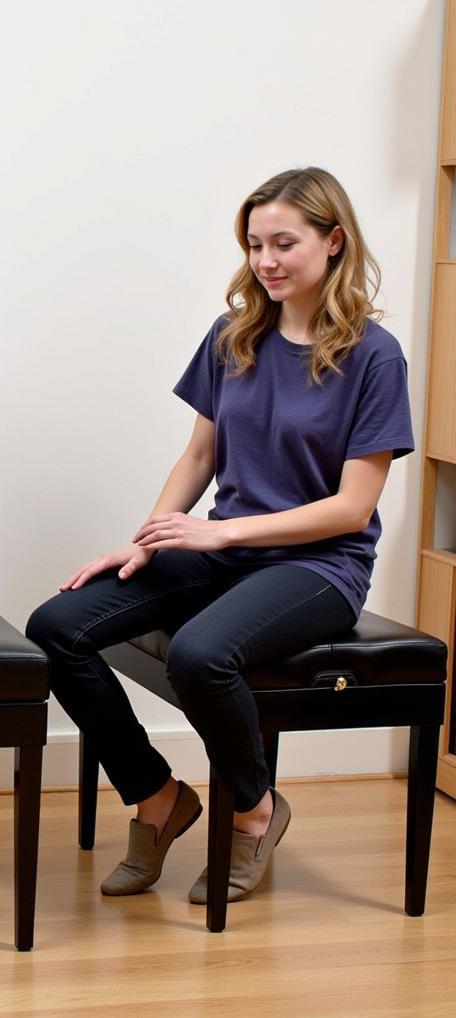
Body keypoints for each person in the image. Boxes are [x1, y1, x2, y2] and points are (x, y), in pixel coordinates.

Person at [26, 167, 413, 905]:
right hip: (227, 548)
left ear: (334, 242)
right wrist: (148, 540)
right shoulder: (233, 333)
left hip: (319, 568)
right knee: (57, 627)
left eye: (284, 243)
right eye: (254, 244)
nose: (265, 261)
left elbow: (351, 509)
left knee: (202, 656)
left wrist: (221, 533)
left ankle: (255, 810)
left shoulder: (374, 356)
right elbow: (200, 456)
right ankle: (157, 797)